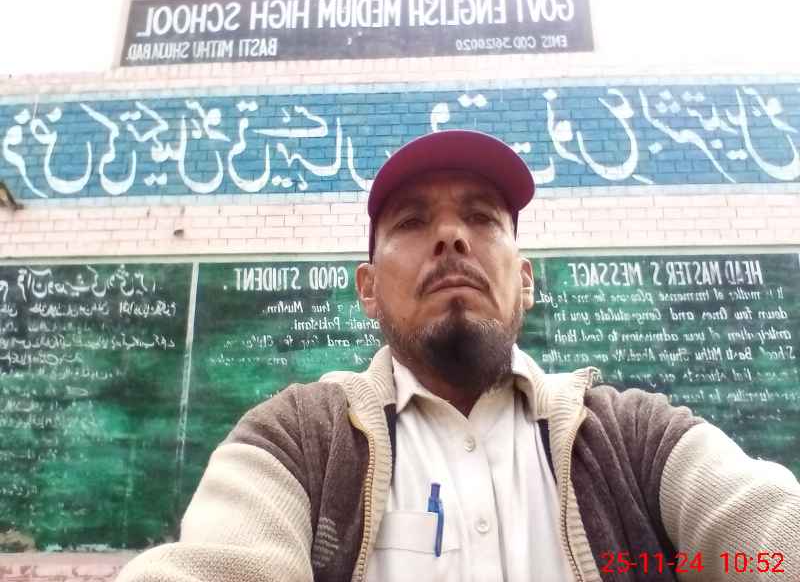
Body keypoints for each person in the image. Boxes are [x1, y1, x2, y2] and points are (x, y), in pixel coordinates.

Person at [118, 130, 799, 582]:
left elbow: (766, 535)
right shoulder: (298, 441)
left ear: (525, 280)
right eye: (412, 222)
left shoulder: (634, 439)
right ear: (368, 289)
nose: (450, 237)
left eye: (481, 217)